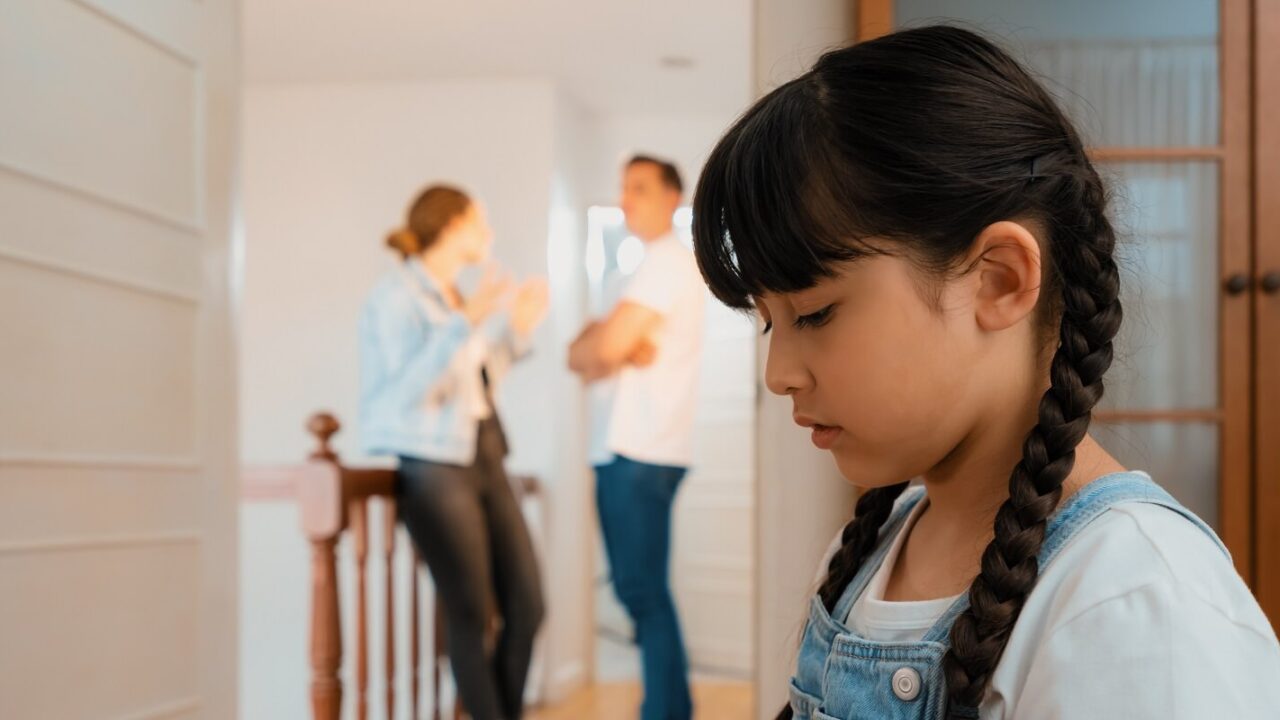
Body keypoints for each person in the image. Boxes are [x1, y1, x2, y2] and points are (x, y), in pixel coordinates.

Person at [691, 26, 1280, 720]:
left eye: (815, 314)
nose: (779, 374)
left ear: (999, 280)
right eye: (767, 322)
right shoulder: (874, 547)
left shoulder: (1136, 599)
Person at [359, 185, 548, 720]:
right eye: (479, 221)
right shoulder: (396, 296)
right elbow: (406, 394)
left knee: (528, 606)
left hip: (483, 450)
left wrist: (513, 331)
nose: (489, 232)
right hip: (433, 466)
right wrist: (465, 324)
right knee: (469, 614)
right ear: (450, 225)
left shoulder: (449, 297)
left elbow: (472, 384)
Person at [569, 155, 705, 720]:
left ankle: (666, 712)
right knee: (641, 592)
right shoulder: (639, 268)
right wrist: (608, 344)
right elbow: (578, 353)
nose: (626, 199)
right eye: (623, 187)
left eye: (640, 188)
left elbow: (595, 352)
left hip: (638, 450)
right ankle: (670, 706)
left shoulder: (665, 262)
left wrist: (607, 346)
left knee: (642, 594)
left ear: (673, 196)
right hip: (635, 451)